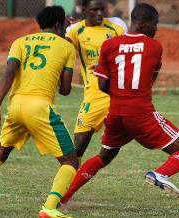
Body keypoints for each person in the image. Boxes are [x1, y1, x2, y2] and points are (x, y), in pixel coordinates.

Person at [59, 3, 179, 204]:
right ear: (141, 22)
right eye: (154, 25)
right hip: (140, 112)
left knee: (104, 157)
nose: (156, 29)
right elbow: (148, 81)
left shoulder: (109, 45)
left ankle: (62, 198)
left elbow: (102, 83)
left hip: (116, 111)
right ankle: (162, 173)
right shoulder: (154, 46)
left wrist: (119, 93)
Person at [0, 6, 78, 218]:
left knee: (2, 150)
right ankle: (49, 207)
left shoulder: (20, 42)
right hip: (39, 108)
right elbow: (65, 90)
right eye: (64, 24)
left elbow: (9, 71)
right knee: (71, 162)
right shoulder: (67, 47)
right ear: (58, 25)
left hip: (15, 106)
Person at [60, 0, 126, 204]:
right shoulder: (75, 31)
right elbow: (59, 48)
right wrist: (61, 28)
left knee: (115, 149)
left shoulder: (117, 26)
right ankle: (62, 194)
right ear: (84, 10)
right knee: (76, 149)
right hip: (94, 96)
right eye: (94, 9)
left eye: (102, 9)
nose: (99, 13)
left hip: (118, 95)